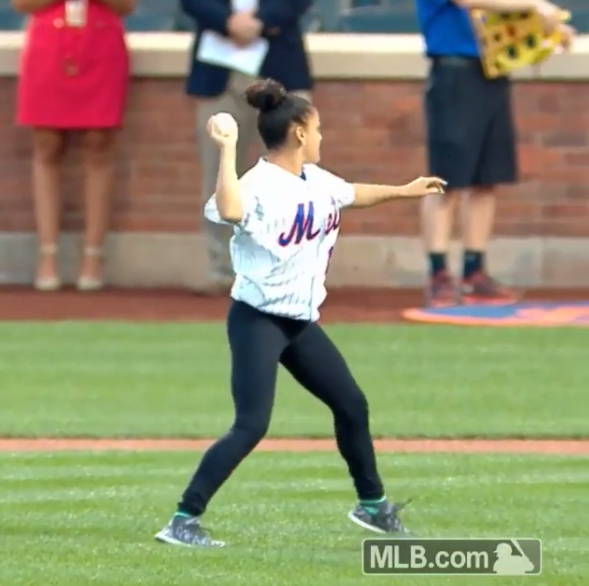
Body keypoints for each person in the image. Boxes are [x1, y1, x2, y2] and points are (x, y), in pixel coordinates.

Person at [154, 78, 447, 548]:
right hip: (258, 320)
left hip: (298, 321)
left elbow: (352, 193)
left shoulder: (315, 179)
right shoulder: (259, 184)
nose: (322, 136)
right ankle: (183, 519)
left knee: (351, 403)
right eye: (318, 129)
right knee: (251, 425)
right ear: (298, 134)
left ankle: (373, 507)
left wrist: (404, 191)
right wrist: (227, 147)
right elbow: (230, 209)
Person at [415, 0, 571, 307]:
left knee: (486, 179)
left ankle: (474, 273)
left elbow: (497, 16)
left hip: (492, 70)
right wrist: (535, 6)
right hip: (453, 70)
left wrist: (544, 30)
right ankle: (439, 276)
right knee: (447, 181)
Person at [179, 0, 313, 294]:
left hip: (280, 67)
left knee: (292, 178)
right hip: (218, 69)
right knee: (221, 175)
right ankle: (223, 271)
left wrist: (261, 20)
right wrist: (227, 21)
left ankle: (293, 271)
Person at [13, 0, 136, 291]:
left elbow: (127, 5)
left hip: (101, 43)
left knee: (99, 144)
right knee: (47, 145)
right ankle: (48, 255)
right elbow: (21, 4)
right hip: (48, 45)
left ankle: (93, 256)